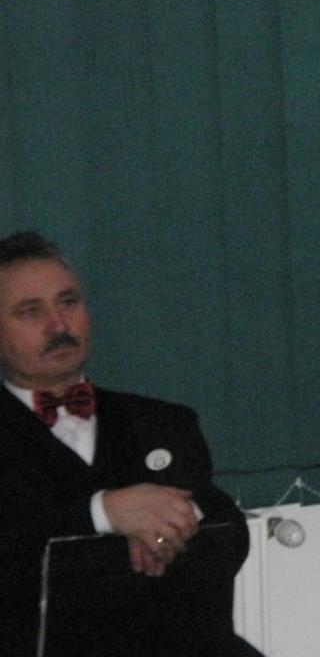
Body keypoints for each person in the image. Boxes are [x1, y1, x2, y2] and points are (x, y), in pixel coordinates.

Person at [0, 230, 259, 657]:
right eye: (31, 312)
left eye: (69, 302)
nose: (59, 325)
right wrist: (104, 512)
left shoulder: (163, 422)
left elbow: (227, 530)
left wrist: (170, 526)